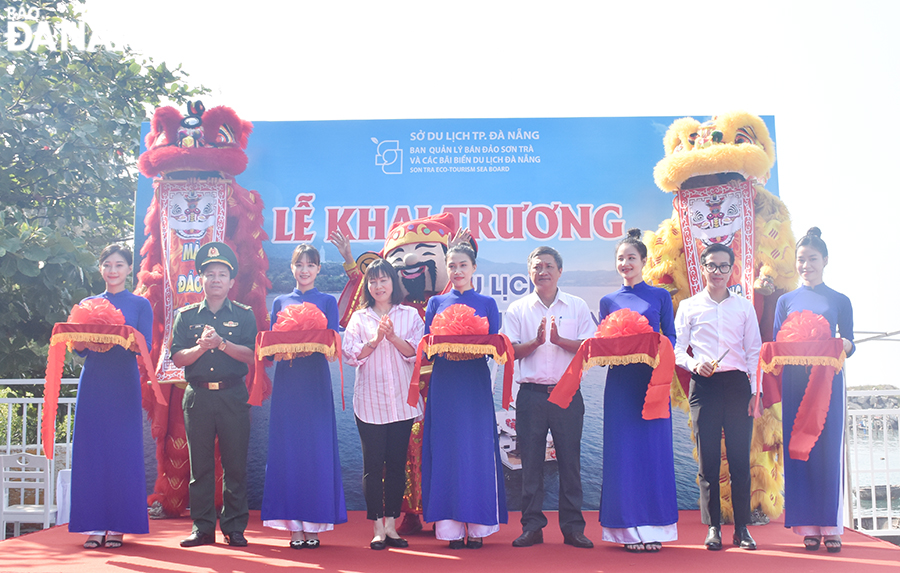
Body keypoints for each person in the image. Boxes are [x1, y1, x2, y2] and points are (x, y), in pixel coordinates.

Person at [502, 246, 595, 549]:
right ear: (529, 272)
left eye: (549, 266)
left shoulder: (577, 305)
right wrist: (537, 342)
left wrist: (557, 341)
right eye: (537, 266)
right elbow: (509, 352)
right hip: (530, 396)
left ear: (560, 271)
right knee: (530, 463)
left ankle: (573, 528)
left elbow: (588, 348)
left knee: (570, 462)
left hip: (567, 394)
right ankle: (532, 526)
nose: (543, 271)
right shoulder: (518, 309)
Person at [674, 242, 761, 551]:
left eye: (724, 266)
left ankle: (742, 529)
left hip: (738, 386)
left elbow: (754, 352)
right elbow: (676, 349)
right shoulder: (689, 306)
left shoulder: (743, 306)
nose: (718, 272)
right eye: (712, 265)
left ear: (732, 269)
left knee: (739, 460)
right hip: (704, 386)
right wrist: (694, 362)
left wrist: (755, 392)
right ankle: (713, 527)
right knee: (708, 461)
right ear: (703, 267)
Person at [260, 244, 347, 549]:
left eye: (311, 265)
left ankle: (315, 525)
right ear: (292, 268)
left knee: (315, 450)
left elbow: (333, 343)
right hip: (288, 384)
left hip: (315, 383)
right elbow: (271, 346)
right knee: (289, 450)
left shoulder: (327, 301)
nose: (305, 270)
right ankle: (293, 527)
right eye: (300, 264)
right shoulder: (281, 302)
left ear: (319, 269)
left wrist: (311, 341)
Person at [171, 242, 257, 548]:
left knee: (235, 465)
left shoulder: (244, 315)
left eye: (222, 274)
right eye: (210, 274)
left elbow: (250, 355)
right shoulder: (186, 316)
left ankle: (235, 527)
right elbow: (178, 358)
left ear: (232, 282)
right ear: (201, 280)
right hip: (198, 397)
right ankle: (203, 527)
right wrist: (202, 348)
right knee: (201, 468)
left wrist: (221, 344)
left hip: (233, 396)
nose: (216, 279)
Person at [421, 244, 507, 548]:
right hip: (444, 384)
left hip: (474, 385)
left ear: (473, 268)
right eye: (452, 266)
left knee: (476, 450)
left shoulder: (487, 303)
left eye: (463, 265)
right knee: (445, 450)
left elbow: (495, 349)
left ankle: (479, 526)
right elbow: (427, 347)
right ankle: (450, 529)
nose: (457, 271)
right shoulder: (436, 302)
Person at [598, 229, 679, 552]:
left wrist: (655, 347)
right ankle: (627, 532)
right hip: (619, 387)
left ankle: (655, 529)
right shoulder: (608, 301)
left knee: (653, 454)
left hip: (652, 384)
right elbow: (603, 345)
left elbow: (671, 337)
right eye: (620, 258)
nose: (625, 263)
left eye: (631, 258)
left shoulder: (660, 297)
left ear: (644, 262)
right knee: (623, 456)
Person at [774, 227, 854, 553]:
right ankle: (807, 526)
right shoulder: (785, 300)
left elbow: (850, 343)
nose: (806, 265)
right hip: (794, 381)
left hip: (827, 383)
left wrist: (844, 344)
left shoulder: (839, 300)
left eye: (813, 259)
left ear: (825, 261)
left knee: (827, 451)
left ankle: (831, 526)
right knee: (798, 451)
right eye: (801, 259)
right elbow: (778, 343)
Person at [69, 245, 153, 549]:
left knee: (123, 453)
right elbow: (78, 348)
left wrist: (119, 334)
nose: (113, 270)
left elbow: (146, 346)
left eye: (119, 265)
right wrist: (85, 337)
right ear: (100, 269)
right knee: (91, 453)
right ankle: (93, 526)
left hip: (123, 383)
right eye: (107, 265)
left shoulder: (141, 304)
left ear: (129, 269)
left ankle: (119, 526)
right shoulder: (87, 303)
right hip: (93, 382)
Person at [343, 259, 424, 550]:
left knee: (397, 466)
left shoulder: (410, 315)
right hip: (370, 402)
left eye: (384, 280)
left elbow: (416, 352)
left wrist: (392, 337)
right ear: (368, 286)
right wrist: (377, 340)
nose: (378, 286)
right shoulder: (359, 318)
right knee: (372, 466)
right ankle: (377, 526)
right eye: (373, 282)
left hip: (402, 402)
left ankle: (392, 524)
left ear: (394, 283)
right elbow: (351, 355)